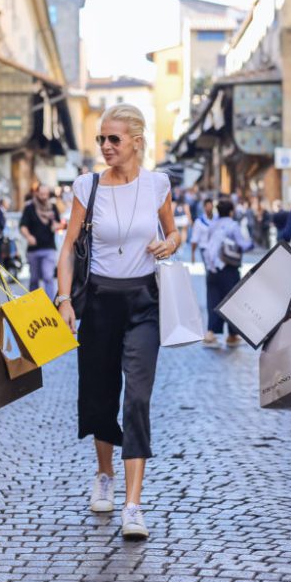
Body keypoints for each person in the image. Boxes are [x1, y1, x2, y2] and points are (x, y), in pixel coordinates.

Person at [55, 103, 180, 541]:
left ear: (136, 141)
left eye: (114, 139)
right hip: (99, 302)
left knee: (138, 399)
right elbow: (69, 246)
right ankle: (104, 474)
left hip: (145, 302)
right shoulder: (86, 187)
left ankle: (133, 504)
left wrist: (172, 243)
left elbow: (173, 231)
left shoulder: (158, 184)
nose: (106, 147)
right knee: (100, 394)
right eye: (101, 140)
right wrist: (64, 298)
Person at [201, 198, 254, 348]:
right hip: (229, 268)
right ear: (231, 212)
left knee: (213, 299)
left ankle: (210, 333)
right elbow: (243, 245)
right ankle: (232, 335)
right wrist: (252, 244)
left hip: (212, 268)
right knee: (231, 301)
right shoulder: (233, 226)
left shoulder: (212, 225)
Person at [19, 185, 60, 300]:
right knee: (34, 279)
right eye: (41, 194)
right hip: (33, 250)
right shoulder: (30, 208)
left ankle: (50, 304)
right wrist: (28, 236)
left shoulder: (53, 207)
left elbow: (58, 224)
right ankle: (35, 304)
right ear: (37, 193)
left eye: (46, 194)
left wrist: (56, 226)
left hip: (49, 248)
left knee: (48, 276)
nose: (44, 197)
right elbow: (23, 226)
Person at [189, 198, 214, 263]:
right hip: (204, 248)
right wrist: (192, 254)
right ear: (204, 207)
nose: (210, 208)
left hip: (215, 249)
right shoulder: (199, 222)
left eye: (211, 206)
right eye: (208, 206)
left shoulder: (217, 220)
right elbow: (195, 239)